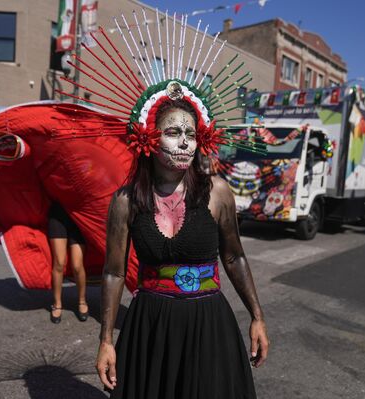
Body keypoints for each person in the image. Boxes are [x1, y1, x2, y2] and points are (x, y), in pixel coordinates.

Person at [96, 98, 269, 398]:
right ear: (149, 137)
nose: (185, 143)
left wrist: (257, 316)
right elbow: (114, 272)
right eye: (173, 132)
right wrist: (106, 340)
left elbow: (234, 255)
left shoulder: (217, 193)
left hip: (208, 326)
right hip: (150, 327)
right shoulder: (125, 201)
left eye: (191, 134)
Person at [48, 203, 89, 323]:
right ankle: (57, 303)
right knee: (59, 263)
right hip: (57, 216)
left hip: (79, 215)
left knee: (77, 265)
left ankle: (82, 301)